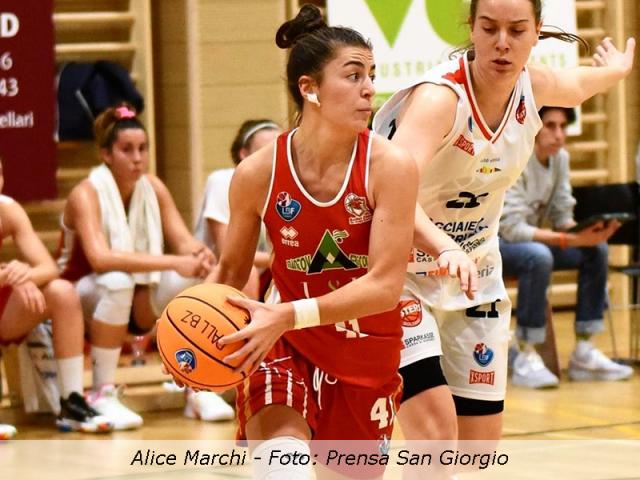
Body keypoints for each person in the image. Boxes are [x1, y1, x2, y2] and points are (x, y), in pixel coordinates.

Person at [373, 0, 635, 441]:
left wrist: (618, 71)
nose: (501, 43)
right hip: (403, 273)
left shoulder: (534, 86)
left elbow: (576, 86)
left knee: (477, 447)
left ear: (537, 32)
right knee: (434, 433)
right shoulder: (439, 99)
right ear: (471, 27)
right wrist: (444, 246)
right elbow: (392, 195)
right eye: (489, 28)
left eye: (516, 30)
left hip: (474, 275)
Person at [197, 5, 417, 478]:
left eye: (371, 75)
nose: (368, 88)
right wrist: (194, 333)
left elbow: (385, 286)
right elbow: (231, 272)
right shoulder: (256, 173)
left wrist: (288, 313)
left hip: (364, 345)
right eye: (353, 75)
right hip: (282, 339)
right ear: (309, 88)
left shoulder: (391, 166)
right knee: (284, 469)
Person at [58, 104, 215, 430]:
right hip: (76, 297)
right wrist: (175, 261)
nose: (137, 158)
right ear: (105, 154)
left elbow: (183, 241)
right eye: (127, 149)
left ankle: (195, 384)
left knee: (200, 282)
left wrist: (201, 256)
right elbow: (100, 258)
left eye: (143, 149)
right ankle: (101, 392)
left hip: (133, 295)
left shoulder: (153, 187)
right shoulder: (85, 193)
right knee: (117, 280)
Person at [500, 106, 633, 388]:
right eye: (551, 125)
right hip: (495, 245)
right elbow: (511, 229)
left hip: (532, 242)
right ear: (535, 127)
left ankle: (584, 349)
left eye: (563, 127)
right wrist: (568, 240)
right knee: (538, 256)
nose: (559, 134)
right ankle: (525, 352)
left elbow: (562, 215)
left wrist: (587, 232)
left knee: (596, 250)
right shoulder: (516, 155)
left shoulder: (560, 158)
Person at [0, 158, 112, 433]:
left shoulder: (8, 210)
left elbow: (48, 268)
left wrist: (23, 276)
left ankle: (71, 401)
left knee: (62, 292)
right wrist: (8, 276)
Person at [193, 119, 282, 299]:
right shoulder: (222, 180)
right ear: (244, 154)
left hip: (256, 273)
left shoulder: (283, 187)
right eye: (265, 152)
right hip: (206, 272)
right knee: (249, 273)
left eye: (278, 152)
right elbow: (229, 259)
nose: (273, 159)